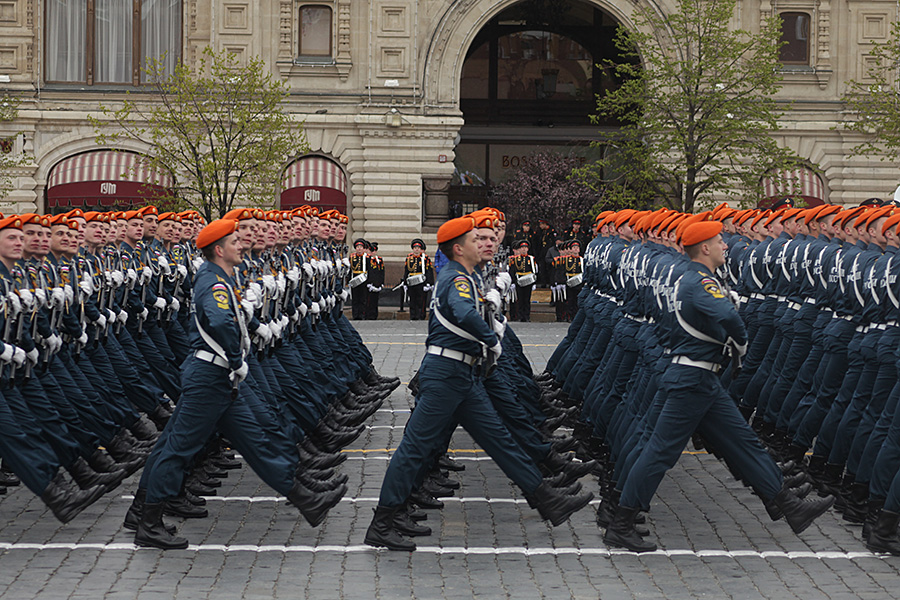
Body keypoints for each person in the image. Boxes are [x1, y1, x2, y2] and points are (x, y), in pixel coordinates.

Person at [604, 220, 835, 552]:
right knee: (659, 453)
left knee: (743, 442)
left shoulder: (687, 276)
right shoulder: (700, 282)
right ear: (705, 248)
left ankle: (787, 504)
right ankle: (622, 522)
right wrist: (740, 344)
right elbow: (728, 316)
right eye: (719, 241)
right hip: (691, 380)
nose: (726, 245)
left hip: (698, 378)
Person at [363, 216, 592, 551]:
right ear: (458, 248)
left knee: (500, 440)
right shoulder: (454, 277)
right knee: (414, 449)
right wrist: (491, 337)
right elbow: (463, 312)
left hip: (464, 375)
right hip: (445, 376)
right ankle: (383, 521)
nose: (484, 243)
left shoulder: (467, 276)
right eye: (476, 239)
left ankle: (547, 498)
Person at [131, 219, 347, 549]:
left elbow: (231, 317)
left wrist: (252, 330)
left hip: (218, 379)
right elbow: (219, 320)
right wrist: (235, 358)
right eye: (234, 241)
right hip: (210, 378)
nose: (241, 245)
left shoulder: (220, 277)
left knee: (255, 438)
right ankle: (148, 521)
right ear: (219, 250)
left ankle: (306, 497)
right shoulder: (212, 281)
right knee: (178, 449)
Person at [403, 239, 434, 321]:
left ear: (420, 249)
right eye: (415, 247)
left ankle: (420, 315)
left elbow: (429, 271)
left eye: (418, 248)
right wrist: (405, 282)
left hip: (421, 281)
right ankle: (413, 315)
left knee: (420, 299)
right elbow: (407, 270)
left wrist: (429, 283)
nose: (416, 249)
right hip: (412, 281)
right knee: (412, 299)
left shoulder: (425, 258)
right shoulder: (409, 258)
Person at [508, 240, 537, 322]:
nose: (524, 249)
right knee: (520, 299)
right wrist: (512, 282)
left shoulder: (531, 258)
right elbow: (512, 271)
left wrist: (534, 282)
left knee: (527, 299)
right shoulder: (515, 259)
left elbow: (534, 270)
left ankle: (527, 316)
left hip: (528, 280)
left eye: (525, 248)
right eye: (522, 248)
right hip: (519, 280)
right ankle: (521, 316)